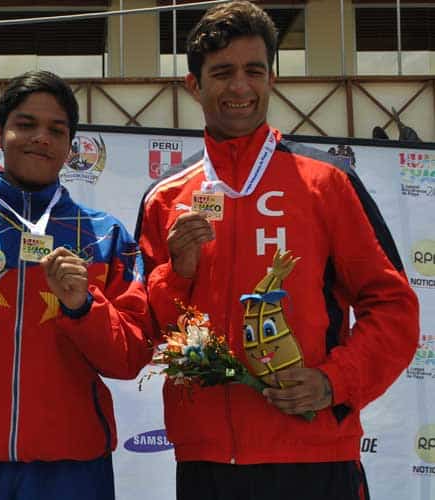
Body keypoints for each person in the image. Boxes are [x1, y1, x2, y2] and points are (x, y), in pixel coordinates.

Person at [134, 2, 419, 499]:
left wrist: (333, 382)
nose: (240, 87)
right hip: (207, 464)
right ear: (194, 85)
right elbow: (151, 329)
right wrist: (178, 273)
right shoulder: (166, 197)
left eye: (254, 71)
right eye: (222, 72)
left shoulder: (328, 182)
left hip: (314, 456)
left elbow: (393, 306)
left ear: (272, 78)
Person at [0, 70, 154, 499]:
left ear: (70, 146)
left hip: (73, 470)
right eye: (26, 124)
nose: (42, 138)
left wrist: (83, 306)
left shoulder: (105, 237)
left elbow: (129, 357)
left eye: (57, 130)